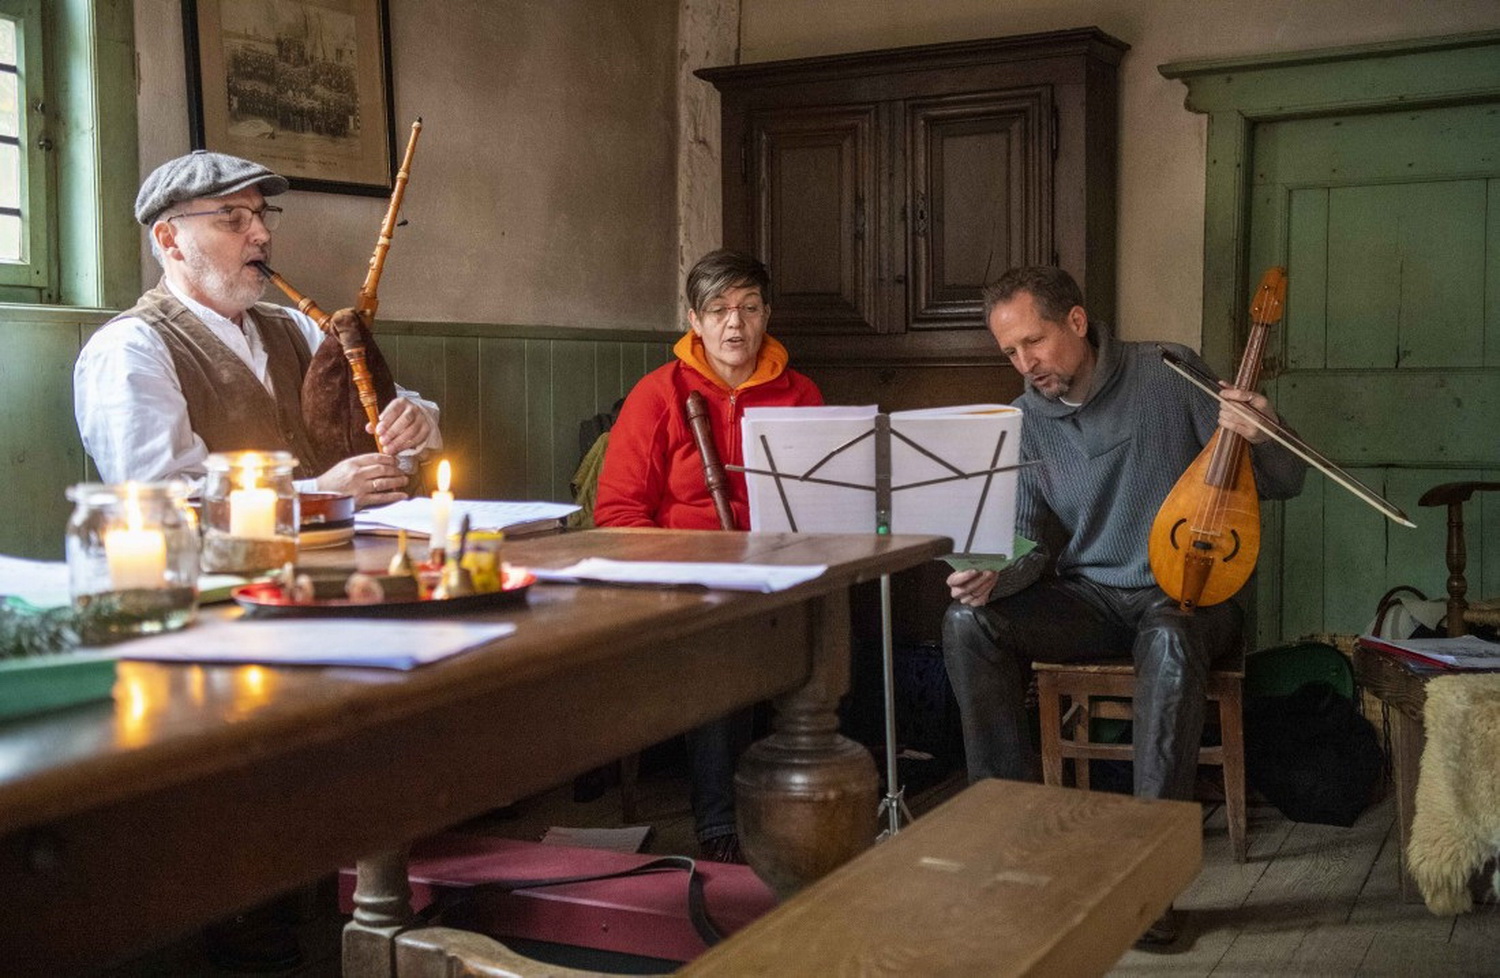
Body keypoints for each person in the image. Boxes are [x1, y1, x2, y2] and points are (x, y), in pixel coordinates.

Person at [942, 266, 1306, 947]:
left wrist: (1263, 430)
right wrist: (992, 576)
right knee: (968, 623)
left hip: (1191, 597)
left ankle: (1151, 882)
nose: (1026, 364)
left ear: (1076, 322)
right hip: (1091, 596)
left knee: (1170, 636)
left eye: (1035, 342)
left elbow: (1286, 482)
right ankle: (1011, 848)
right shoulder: (1023, 419)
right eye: (1011, 353)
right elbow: (1026, 548)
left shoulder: (1168, 373)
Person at [594, 249, 822, 862]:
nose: (735, 324)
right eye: (719, 310)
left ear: (767, 314)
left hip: (780, 567)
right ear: (695, 320)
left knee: (837, 636)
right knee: (727, 640)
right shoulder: (658, 393)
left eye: (749, 308)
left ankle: (813, 801)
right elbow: (617, 515)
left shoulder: (800, 394)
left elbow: (827, 505)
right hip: (689, 576)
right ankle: (721, 822)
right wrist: (685, 567)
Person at [74, 150, 440, 508]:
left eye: (263, 216)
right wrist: (318, 493)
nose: (262, 234)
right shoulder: (129, 348)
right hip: (219, 568)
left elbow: (390, 403)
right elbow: (159, 500)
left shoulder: (296, 327)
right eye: (233, 218)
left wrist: (414, 421)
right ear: (170, 240)